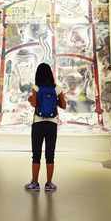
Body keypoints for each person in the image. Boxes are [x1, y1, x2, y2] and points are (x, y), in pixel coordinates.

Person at [25, 63, 66, 192]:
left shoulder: (36, 87)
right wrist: (54, 101)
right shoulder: (57, 88)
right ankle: (49, 184)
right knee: (50, 154)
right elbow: (64, 105)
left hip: (38, 123)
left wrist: (30, 99)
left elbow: (34, 104)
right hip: (52, 124)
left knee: (36, 154)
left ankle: (35, 183)